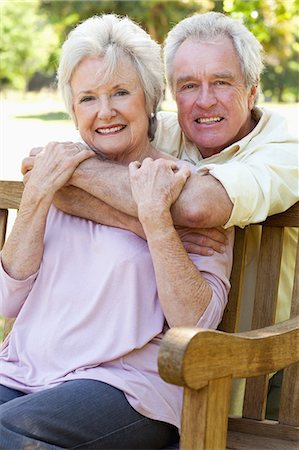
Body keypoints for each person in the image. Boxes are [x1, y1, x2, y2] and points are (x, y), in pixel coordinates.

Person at [26, 11, 297, 418]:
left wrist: (77, 174)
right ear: (169, 93)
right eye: (189, 86)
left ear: (253, 91)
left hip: (259, 370)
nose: (204, 100)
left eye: (221, 82)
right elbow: (44, 174)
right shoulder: (163, 129)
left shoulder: (286, 148)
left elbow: (196, 206)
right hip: (148, 363)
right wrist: (142, 221)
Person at [0, 14, 234, 449]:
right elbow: (7, 300)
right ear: (73, 111)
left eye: (120, 93)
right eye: (88, 98)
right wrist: (38, 196)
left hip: (128, 387)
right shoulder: (60, 174)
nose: (104, 112)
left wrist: (158, 223)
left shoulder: (184, 189)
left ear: (149, 99)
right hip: (27, 371)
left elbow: (197, 323)